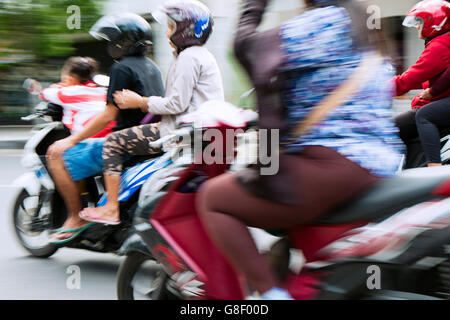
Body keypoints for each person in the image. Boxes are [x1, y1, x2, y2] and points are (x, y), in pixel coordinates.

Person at [196, 0, 404, 300]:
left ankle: (271, 296)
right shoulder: (366, 30)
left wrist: (253, 5)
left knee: (214, 198)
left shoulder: (325, 23)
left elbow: (247, 48)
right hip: (378, 163)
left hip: (335, 162)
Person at [77, 0, 224, 225]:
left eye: (171, 27)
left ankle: (111, 208)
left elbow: (176, 104)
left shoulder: (189, 57)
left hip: (180, 132)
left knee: (113, 142)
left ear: (185, 30)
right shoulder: (199, 55)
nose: (166, 32)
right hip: (195, 129)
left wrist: (139, 102)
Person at [47, 13, 165, 243]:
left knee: (55, 155)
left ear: (123, 41)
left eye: (114, 39)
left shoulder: (122, 68)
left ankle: (75, 217)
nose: (111, 44)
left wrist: (70, 140)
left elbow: (108, 115)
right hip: (152, 139)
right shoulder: (153, 67)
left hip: (126, 144)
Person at [392, 0, 450, 166]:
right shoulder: (444, 42)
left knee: (420, 116)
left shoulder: (438, 47)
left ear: (435, 23)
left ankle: (433, 167)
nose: (417, 26)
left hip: (441, 102)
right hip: (442, 99)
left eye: (420, 22)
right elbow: (432, 78)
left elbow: (409, 79)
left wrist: (375, 88)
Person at [39, 57, 115, 137]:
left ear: (71, 78)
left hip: (90, 140)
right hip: (112, 137)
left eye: (65, 78)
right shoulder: (101, 89)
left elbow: (44, 93)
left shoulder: (68, 93)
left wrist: (58, 86)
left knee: (54, 148)